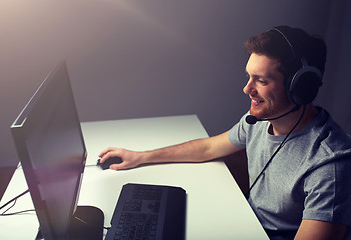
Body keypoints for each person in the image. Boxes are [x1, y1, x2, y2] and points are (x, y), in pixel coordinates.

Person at [99, 26, 351, 240]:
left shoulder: (330, 164)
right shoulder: (260, 121)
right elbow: (208, 148)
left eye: (261, 81)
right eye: (248, 77)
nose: (246, 89)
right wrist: (141, 156)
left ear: (301, 87)